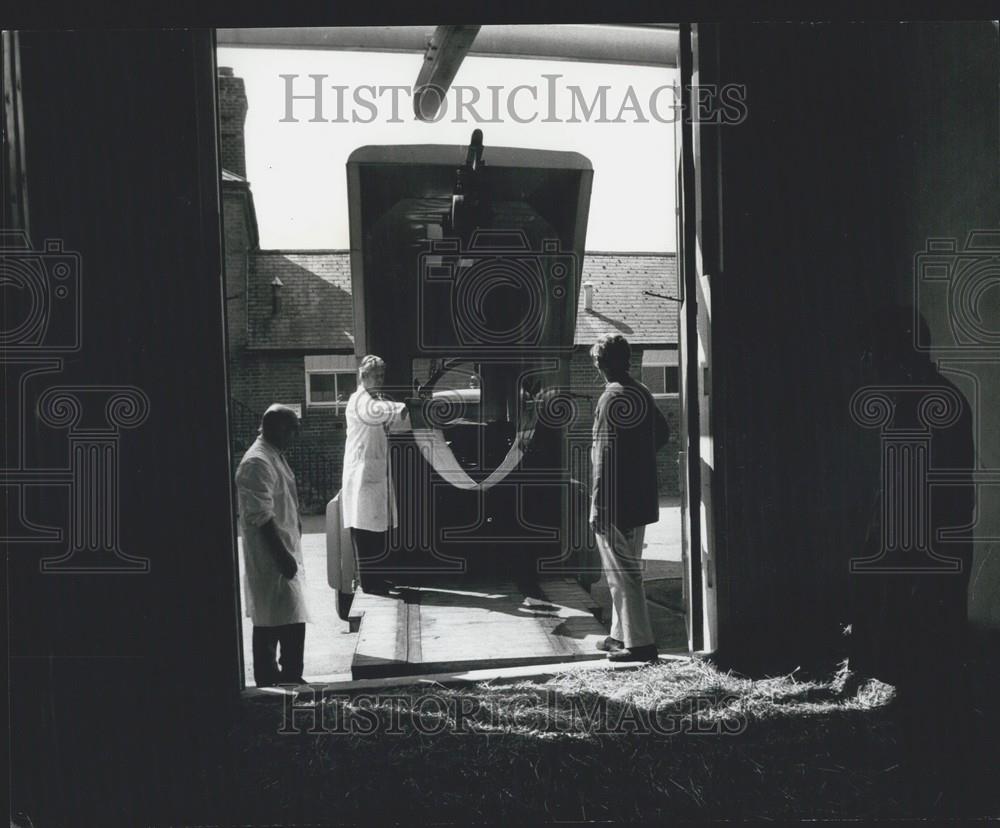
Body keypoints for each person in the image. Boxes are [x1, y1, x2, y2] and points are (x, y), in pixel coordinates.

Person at [589, 333, 671, 663]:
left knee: (623, 574)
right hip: (638, 500)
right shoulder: (642, 392)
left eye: (597, 361)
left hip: (614, 503)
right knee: (622, 572)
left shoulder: (610, 398)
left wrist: (597, 502)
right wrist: (638, 460)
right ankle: (619, 635)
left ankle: (640, 645)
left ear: (602, 364)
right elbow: (663, 433)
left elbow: (604, 456)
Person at [235, 404, 311, 687]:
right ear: (276, 427)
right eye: (293, 429)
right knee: (270, 622)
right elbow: (261, 516)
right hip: (271, 558)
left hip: (284, 552)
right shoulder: (257, 462)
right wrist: (282, 557)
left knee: (290, 617)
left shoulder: (272, 455)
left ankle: (291, 675)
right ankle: (269, 682)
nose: (296, 435)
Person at [342, 355, 410, 594]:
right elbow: (378, 412)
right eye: (376, 375)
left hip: (373, 474)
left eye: (382, 375)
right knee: (365, 532)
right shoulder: (360, 400)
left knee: (378, 530)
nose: (380, 380)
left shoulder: (371, 398)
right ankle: (370, 583)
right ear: (364, 376)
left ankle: (378, 577)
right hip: (363, 475)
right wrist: (407, 406)